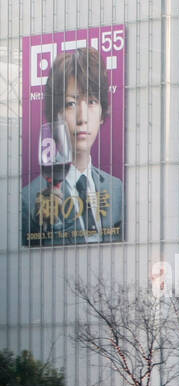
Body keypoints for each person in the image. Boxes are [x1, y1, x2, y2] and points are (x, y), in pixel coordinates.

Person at [20, 46, 125, 247]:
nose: (82, 118)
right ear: (55, 114)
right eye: (70, 104)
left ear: (103, 113)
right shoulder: (29, 199)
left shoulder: (116, 189)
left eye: (92, 101)